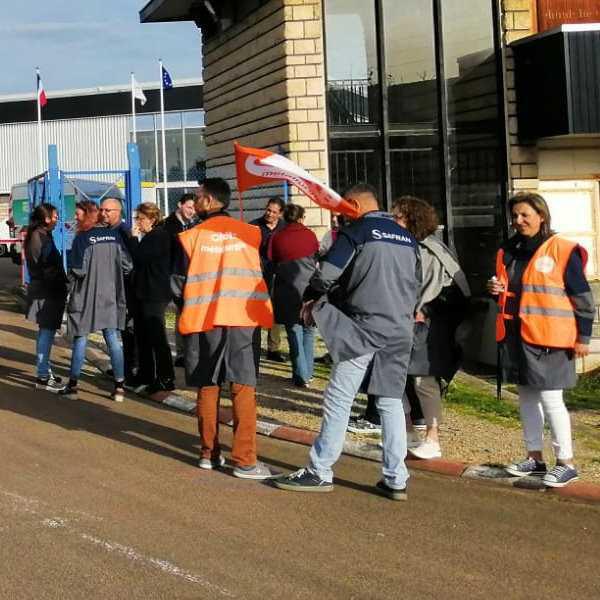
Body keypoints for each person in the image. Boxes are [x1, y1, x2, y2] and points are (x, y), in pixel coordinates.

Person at [274, 184, 421, 500]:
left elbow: (327, 274)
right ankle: (396, 478)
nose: (340, 214)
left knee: (339, 397)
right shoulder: (408, 238)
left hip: (364, 327)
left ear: (354, 204)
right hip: (400, 329)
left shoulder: (357, 232)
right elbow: (416, 284)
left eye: (343, 208)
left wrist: (312, 297)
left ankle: (319, 470)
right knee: (390, 400)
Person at [172, 178, 281, 480]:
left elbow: (177, 283)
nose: (194, 203)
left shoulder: (191, 236)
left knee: (208, 385)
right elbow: (263, 273)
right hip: (243, 321)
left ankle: (208, 453)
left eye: (197, 197)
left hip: (204, 320)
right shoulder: (251, 233)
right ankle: (245, 460)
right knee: (242, 387)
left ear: (208, 200)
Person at [488, 192, 594, 488]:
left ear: (542, 216)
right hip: (518, 335)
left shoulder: (561, 249)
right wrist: (494, 289)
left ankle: (566, 462)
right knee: (527, 397)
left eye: (525, 215)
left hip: (552, 338)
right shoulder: (510, 250)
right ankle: (534, 457)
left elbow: (583, 298)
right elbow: (512, 290)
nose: (519, 221)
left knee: (551, 400)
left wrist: (583, 336)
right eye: (515, 216)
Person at [58, 209, 133, 402]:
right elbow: (127, 266)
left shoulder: (82, 239)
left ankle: (73, 386)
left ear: (88, 217)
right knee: (113, 339)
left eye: (78, 215)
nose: (75, 218)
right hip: (110, 296)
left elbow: (78, 271)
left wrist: (66, 290)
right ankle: (119, 388)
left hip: (85, 297)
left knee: (80, 339)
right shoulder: (115, 237)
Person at [269, 203, 319, 387]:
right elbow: (316, 257)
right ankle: (308, 373)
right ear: (301, 218)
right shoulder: (310, 235)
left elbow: (271, 259)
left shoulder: (277, 237)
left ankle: (301, 374)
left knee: (294, 331)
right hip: (309, 289)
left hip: (287, 289)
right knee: (308, 330)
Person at [131, 202, 175, 394]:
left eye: (141, 219)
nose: (138, 223)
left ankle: (165, 377)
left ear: (152, 219)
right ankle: (145, 373)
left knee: (157, 336)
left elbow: (140, 257)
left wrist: (134, 238)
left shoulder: (159, 236)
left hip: (155, 293)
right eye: (137, 218)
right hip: (144, 291)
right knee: (143, 335)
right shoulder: (151, 236)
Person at [23, 203, 68, 391]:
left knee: (45, 331)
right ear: (46, 218)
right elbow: (48, 267)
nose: (57, 219)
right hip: (48, 292)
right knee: (47, 332)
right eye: (55, 216)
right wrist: (61, 286)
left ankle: (44, 370)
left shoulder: (39, 235)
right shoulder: (40, 237)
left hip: (43, 289)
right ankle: (42, 376)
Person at [99, 197, 138, 384]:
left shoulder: (122, 232)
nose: (103, 213)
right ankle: (122, 367)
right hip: (113, 289)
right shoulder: (108, 231)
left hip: (124, 290)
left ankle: (129, 369)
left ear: (118, 212)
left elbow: (129, 264)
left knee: (127, 331)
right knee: (118, 331)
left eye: (107, 210)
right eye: (102, 210)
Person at [163, 192, 198, 367]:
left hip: (192, 274)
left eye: (194, 208)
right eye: (189, 207)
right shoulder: (168, 225)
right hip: (174, 274)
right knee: (178, 314)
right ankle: (181, 353)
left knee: (188, 314)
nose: (192, 211)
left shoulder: (195, 225)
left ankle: (190, 351)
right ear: (179, 204)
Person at [251, 197, 286, 362]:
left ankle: (273, 347)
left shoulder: (285, 228)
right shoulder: (254, 225)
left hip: (278, 274)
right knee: (256, 310)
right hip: (257, 275)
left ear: (280, 214)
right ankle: (253, 343)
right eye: (268, 210)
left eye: (273, 212)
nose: (269, 214)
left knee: (275, 311)